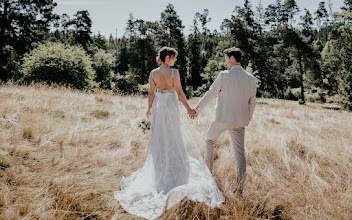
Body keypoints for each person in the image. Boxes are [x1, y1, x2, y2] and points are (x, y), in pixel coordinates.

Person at [114, 46, 224, 220]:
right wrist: (189, 109)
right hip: (170, 105)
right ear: (167, 57)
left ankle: (160, 168)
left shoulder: (153, 73)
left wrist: (149, 109)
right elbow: (179, 92)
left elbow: (151, 93)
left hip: (159, 105)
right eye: (174, 57)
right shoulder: (174, 72)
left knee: (160, 137)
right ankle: (175, 169)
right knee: (173, 136)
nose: (175, 60)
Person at [194, 47, 256, 195]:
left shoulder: (224, 75)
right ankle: (239, 189)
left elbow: (210, 94)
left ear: (232, 58)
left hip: (221, 118)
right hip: (240, 121)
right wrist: (246, 119)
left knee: (209, 141)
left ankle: (208, 177)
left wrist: (196, 110)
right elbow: (252, 103)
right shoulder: (251, 79)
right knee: (240, 154)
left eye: (226, 58)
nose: (225, 61)